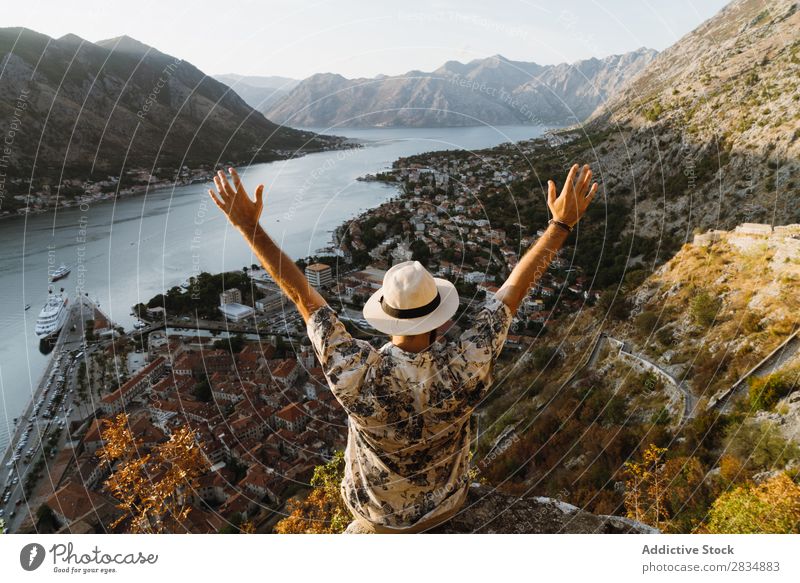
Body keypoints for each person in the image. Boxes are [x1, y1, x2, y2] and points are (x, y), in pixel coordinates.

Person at [209, 163, 597, 533]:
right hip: (447, 506)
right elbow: (513, 291)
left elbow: (302, 297)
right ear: (440, 317)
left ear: (385, 314)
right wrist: (560, 224)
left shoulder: (355, 374)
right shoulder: (469, 362)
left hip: (375, 517)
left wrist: (248, 226)